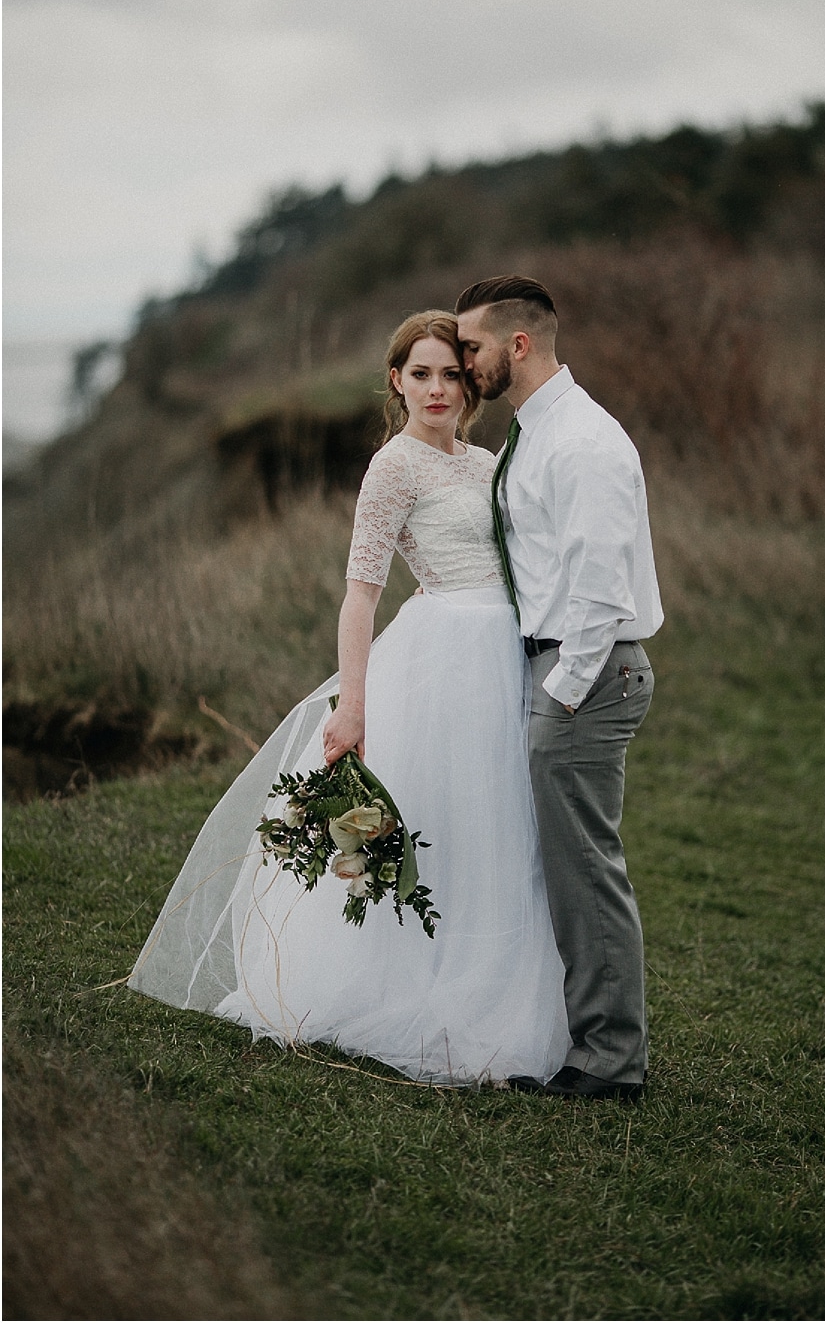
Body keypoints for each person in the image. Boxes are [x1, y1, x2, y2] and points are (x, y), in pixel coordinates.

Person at [130, 311, 572, 1085]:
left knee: (500, 827)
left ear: (471, 384)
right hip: (443, 657)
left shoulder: (488, 462)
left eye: (451, 374)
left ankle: (496, 986)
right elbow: (359, 598)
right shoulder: (393, 468)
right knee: (438, 824)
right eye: (421, 373)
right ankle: (415, 988)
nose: (437, 389)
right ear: (396, 381)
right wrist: (354, 704)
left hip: (507, 655)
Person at [453, 275, 663, 1103]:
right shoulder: (530, 435)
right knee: (562, 868)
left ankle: (611, 1063)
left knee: (584, 872)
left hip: (588, 673)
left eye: (470, 348)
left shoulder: (582, 442)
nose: (464, 363)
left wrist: (564, 693)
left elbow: (601, 591)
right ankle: (575, 1036)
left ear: (517, 345)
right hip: (557, 668)